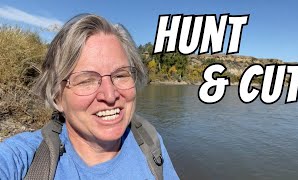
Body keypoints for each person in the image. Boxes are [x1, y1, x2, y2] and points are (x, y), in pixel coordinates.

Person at [0, 14, 178, 179]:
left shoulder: (148, 140)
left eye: (121, 75)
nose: (110, 95)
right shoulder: (24, 158)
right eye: (86, 80)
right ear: (57, 97)